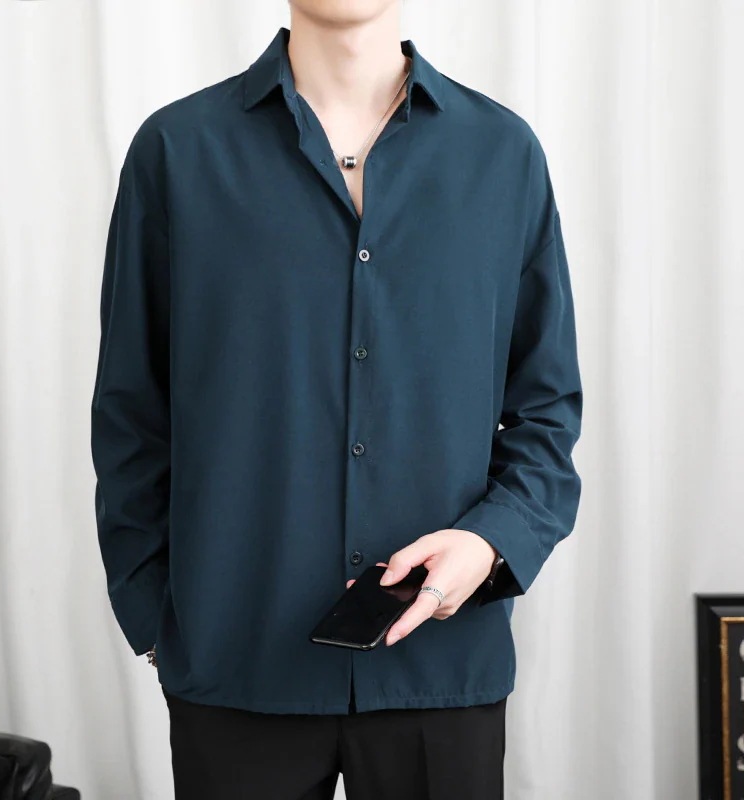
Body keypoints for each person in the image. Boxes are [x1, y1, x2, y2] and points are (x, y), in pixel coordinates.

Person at [90, 1, 583, 798]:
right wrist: (152, 616)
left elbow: (546, 409)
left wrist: (491, 544)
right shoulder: (177, 151)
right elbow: (130, 410)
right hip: (235, 668)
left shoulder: (503, 155)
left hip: (439, 666)